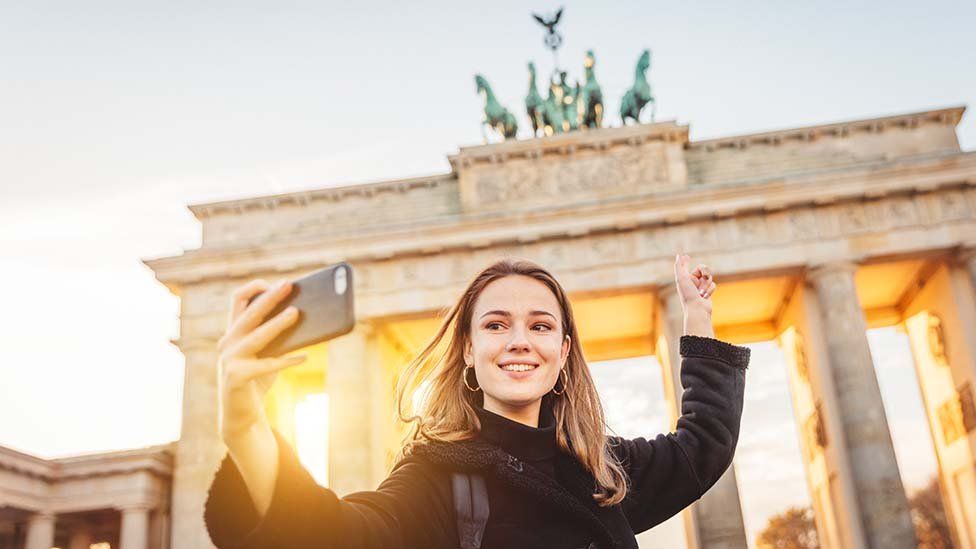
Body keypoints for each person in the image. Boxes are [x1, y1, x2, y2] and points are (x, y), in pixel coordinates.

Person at [204, 254, 750, 549]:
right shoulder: (434, 476)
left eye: (539, 326)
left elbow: (701, 447)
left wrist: (697, 319)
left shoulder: (600, 472)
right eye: (496, 324)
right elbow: (343, 537)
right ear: (468, 349)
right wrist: (249, 430)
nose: (518, 340)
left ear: (562, 353)